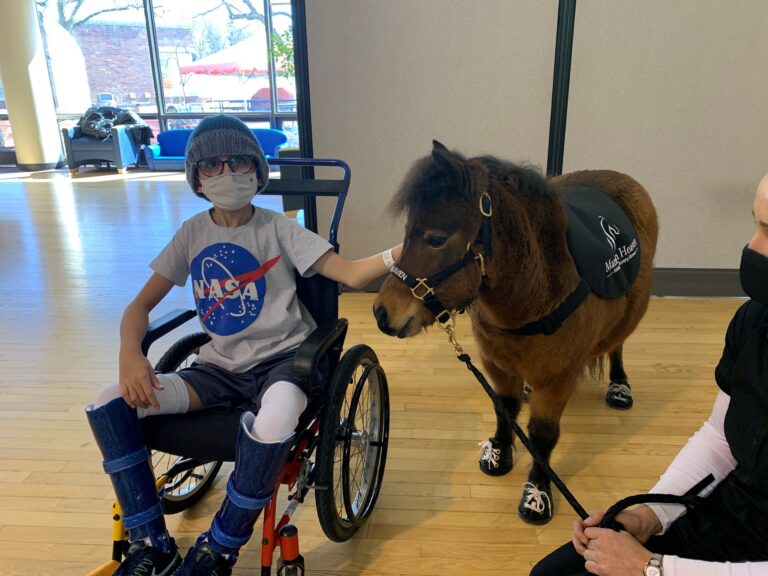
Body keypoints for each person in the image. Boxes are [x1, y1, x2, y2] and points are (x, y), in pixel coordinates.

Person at [85, 114, 402, 576]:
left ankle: (219, 547)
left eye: (238, 161)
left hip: (284, 363)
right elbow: (138, 309)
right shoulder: (192, 233)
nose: (227, 173)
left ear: (257, 170)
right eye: (212, 164)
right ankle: (151, 544)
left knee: (274, 420)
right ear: (196, 176)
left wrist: (403, 251)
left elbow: (351, 274)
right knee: (109, 401)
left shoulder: (279, 229)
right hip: (216, 370)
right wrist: (130, 355)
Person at [530, 173, 768, 576]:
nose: (751, 247)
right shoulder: (754, 320)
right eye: (756, 224)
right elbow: (720, 439)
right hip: (733, 519)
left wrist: (653, 568)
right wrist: (650, 514)